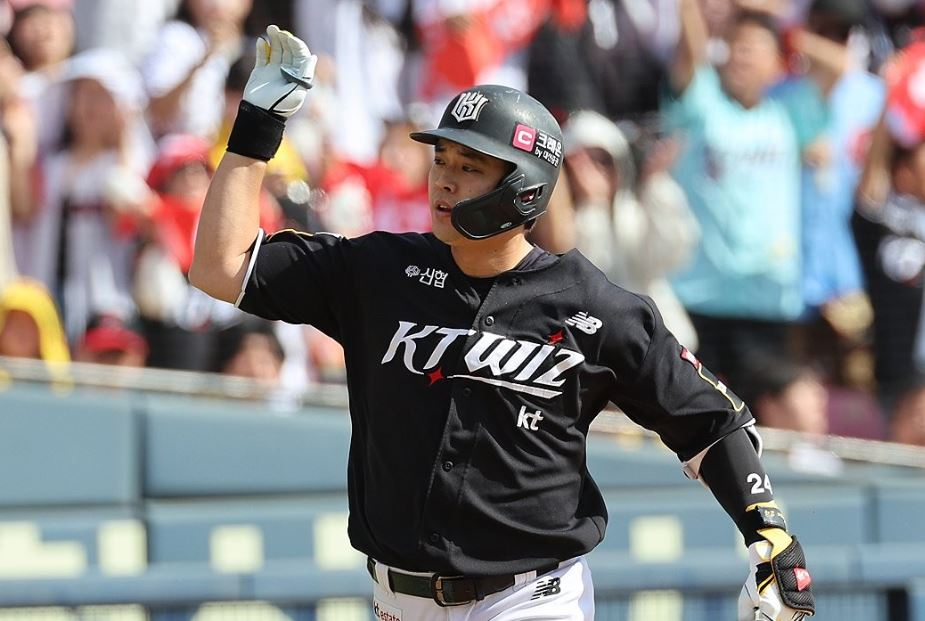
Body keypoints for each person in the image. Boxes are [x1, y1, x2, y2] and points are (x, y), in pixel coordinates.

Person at [189, 25, 815, 621]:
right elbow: (220, 268)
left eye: (471, 165)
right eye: (443, 160)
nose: (445, 179)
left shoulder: (593, 304)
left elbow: (711, 420)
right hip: (397, 598)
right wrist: (256, 128)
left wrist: (771, 536)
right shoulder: (378, 272)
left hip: (530, 598)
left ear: (522, 187)